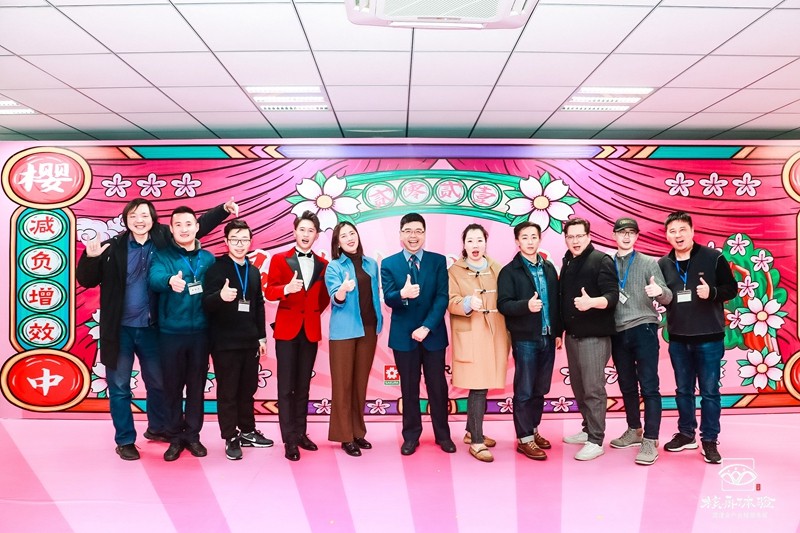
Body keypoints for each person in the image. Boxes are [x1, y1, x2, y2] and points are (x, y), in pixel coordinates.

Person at [76, 197, 236, 461]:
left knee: (160, 383)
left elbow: (194, 227)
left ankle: (158, 428)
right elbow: (87, 279)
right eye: (134, 216)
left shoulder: (162, 240)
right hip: (119, 329)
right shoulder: (113, 246)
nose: (139, 221)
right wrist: (90, 258)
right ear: (126, 220)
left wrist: (222, 210)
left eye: (144, 216)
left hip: (152, 328)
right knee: (119, 387)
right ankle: (125, 440)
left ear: (153, 219)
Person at [657, 211, 736, 464]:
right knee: (683, 390)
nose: (678, 235)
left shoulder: (713, 257)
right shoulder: (663, 264)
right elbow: (665, 296)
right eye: (672, 231)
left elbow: (731, 289)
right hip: (678, 338)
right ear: (667, 235)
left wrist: (712, 292)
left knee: (710, 392)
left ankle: (709, 439)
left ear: (692, 231)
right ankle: (686, 433)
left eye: (682, 230)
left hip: (709, 337)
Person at [380, 213, 454, 456]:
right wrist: (402, 294)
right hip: (403, 337)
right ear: (401, 234)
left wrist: (427, 327)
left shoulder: (438, 261)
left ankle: (443, 435)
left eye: (418, 231)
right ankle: (411, 436)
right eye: (408, 231)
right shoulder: (389, 263)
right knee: (409, 388)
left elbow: (442, 297)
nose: (413, 236)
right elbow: (389, 298)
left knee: (437, 387)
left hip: (433, 335)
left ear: (424, 234)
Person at [149, 206, 217, 462]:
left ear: (197, 227)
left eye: (189, 224)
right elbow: (154, 278)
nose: (184, 229)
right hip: (170, 333)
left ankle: (193, 435)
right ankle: (175, 436)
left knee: (197, 387)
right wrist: (169, 281)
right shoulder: (162, 256)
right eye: (178, 225)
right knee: (172, 387)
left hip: (201, 333)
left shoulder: (208, 258)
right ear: (172, 229)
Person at [202, 219, 273, 460]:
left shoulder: (252, 271)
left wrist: (261, 337)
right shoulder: (217, 268)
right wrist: (220, 296)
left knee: (248, 390)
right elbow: (206, 303)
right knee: (228, 392)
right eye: (235, 239)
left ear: (250, 242)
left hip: (249, 341)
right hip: (224, 343)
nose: (240, 244)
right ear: (226, 241)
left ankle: (248, 431)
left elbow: (258, 305)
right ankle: (230, 436)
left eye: (244, 239)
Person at [265, 211, 330, 462]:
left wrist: (311, 314)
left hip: (310, 330)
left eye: (310, 230)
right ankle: (289, 439)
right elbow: (269, 292)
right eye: (302, 229)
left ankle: (301, 433)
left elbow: (323, 298)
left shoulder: (323, 264)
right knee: (286, 387)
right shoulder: (280, 259)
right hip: (286, 330)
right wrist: (286, 289)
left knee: (303, 386)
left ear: (316, 235)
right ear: (294, 232)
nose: (305, 234)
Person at [608, 217, 672, 466]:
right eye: (622, 232)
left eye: (631, 232)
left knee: (649, 386)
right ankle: (634, 429)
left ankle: (650, 438)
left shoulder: (648, 262)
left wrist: (659, 292)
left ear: (636, 236)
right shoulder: (607, 263)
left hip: (643, 327)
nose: (626, 236)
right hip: (617, 331)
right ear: (614, 235)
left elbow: (667, 297)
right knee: (626, 385)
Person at [497, 221, 561, 461]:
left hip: (548, 336)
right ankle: (524, 439)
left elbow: (555, 302)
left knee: (540, 389)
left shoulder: (549, 268)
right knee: (524, 390)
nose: (530, 241)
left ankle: (533, 430)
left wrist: (557, 332)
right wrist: (526, 306)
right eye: (525, 237)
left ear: (540, 239)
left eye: (534, 236)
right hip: (525, 339)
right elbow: (503, 305)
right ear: (517, 241)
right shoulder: (509, 271)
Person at [449, 223, 509, 463]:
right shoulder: (454, 271)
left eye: (479, 240)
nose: (475, 245)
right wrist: (466, 303)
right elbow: (450, 300)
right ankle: (476, 440)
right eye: (470, 240)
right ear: (464, 244)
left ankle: (470, 431)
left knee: (483, 384)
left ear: (486, 242)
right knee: (478, 387)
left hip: (495, 334)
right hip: (471, 335)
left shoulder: (498, 268)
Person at [559, 217, 619, 461]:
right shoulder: (568, 261)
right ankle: (587, 428)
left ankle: (596, 439)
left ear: (589, 236)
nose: (575, 241)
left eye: (579, 236)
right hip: (573, 336)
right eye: (570, 236)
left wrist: (592, 302)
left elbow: (613, 296)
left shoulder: (601, 260)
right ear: (566, 239)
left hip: (594, 337)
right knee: (579, 387)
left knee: (593, 389)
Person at [324, 222, 382, 457]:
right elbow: (335, 298)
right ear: (338, 243)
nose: (349, 238)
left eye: (352, 233)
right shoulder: (334, 266)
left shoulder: (371, 264)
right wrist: (342, 290)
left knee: (359, 384)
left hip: (369, 329)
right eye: (343, 236)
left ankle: (358, 431)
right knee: (343, 385)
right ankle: (345, 436)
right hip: (344, 332)